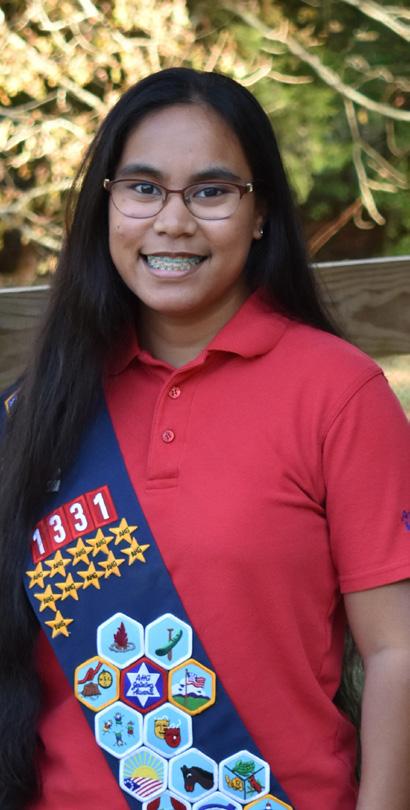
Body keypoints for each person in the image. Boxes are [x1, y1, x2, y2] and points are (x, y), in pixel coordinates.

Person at [0, 67, 409, 810]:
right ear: (106, 206)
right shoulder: (36, 412)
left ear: (260, 213)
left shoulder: (339, 394)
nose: (173, 221)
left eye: (211, 192)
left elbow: (396, 651)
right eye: (143, 188)